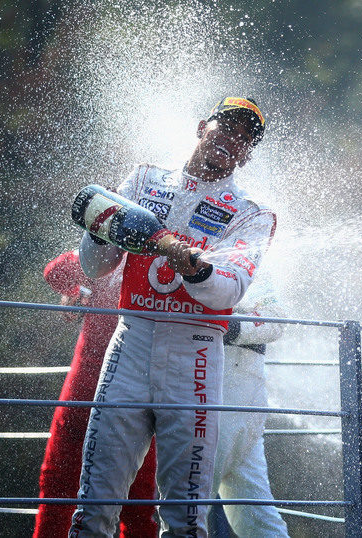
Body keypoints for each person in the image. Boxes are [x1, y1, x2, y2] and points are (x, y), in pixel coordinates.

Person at [70, 96, 277, 537]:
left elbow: (229, 287)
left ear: (247, 154)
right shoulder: (145, 179)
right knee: (94, 505)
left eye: (245, 137)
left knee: (185, 519)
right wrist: (100, 228)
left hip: (197, 355)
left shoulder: (252, 213)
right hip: (132, 339)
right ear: (202, 126)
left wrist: (195, 267)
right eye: (227, 126)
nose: (232, 139)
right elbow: (96, 266)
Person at [35, 251, 157, 537]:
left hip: (88, 391)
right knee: (138, 500)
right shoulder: (156, 266)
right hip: (134, 393)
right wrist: (80, 291)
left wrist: (79, 289)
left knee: (58, 487)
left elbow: (56, 270)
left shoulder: (107, 260)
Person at [208, 278, 290, 536]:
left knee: (187, 510)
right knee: (257, 519)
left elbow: (275, 319)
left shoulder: (254, 272)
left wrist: (225, 326)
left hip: (232, 408)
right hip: (227, 406)